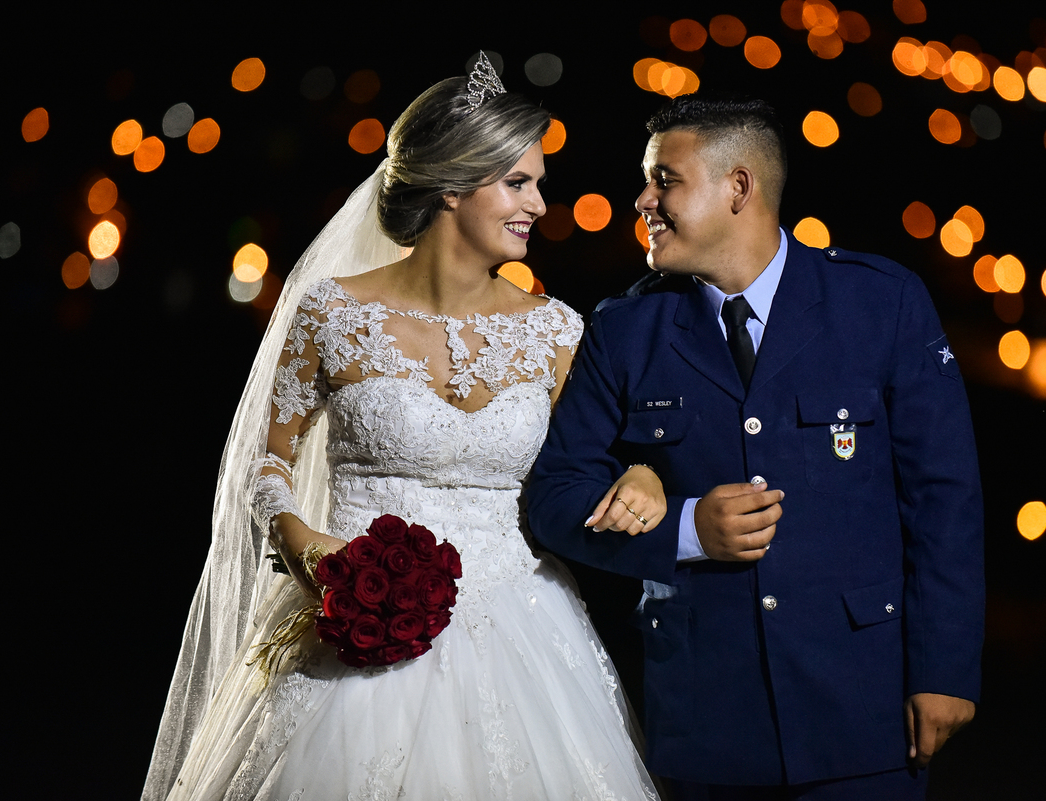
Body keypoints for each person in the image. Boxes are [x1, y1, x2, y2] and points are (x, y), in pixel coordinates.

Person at [142, 54, 665, 801]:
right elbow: (266, 465)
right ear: (452, 185)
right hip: (352, 616)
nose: (540, 205)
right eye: (518, 183)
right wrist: (305, 548)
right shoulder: (332, 312)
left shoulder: (555, 331)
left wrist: (641, 472)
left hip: (521, 625)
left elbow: (593, 462)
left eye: (539, 184)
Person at [527, 95, 984, 799]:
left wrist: (944, 670)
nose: (643, 200)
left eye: (664, 180)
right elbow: (555, 500)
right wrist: (687, 528)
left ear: (738, 187)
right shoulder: (627, 329)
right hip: (709, 717)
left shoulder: (880, 303)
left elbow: (944, 500)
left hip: (864, 705)